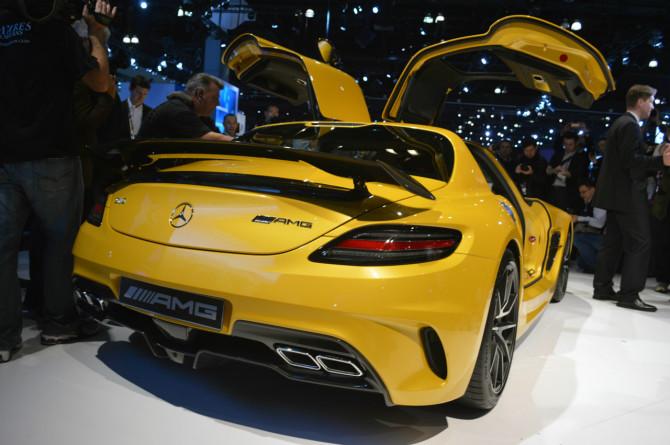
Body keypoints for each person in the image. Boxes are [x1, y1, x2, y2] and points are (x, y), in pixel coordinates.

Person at [0, 0, 115, 363]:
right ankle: (58, 323)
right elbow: (99, 81)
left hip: (4, 157)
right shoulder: (56, 30)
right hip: (53, 155)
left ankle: (4, 338)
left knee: (2, 250)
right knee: (59, 244)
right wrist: (97, 33)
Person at [592, 84, 670, 312]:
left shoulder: (621, 123)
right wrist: (661, 162)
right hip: (627, 194)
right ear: (641, 101)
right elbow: (631, 162)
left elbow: (625, 160)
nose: (653, 106)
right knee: (640, 243)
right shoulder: (630, 125)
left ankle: (602, 287)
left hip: (616, 194)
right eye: (651, 101)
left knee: (613, 242)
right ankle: (629, 295)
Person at [139, 72, 232, 141]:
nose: (218, 103)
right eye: (214, 98)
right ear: (199, 94)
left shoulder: (201, 117)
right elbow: (217, 140)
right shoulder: (177, 110)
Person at [547, 132, 589, 213]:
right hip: (553, 189)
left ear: (576, 143)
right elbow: (548, 170)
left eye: (570, 144)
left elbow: (581, 174)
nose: (567, 147)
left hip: (568, 190)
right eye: (565, 144)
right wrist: (554, 170)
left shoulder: (581, 156)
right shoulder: (558, 154)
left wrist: (568, 173)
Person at [572, 180, 606, 273]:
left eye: (584, 192)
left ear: (592, 190)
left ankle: (598, 268)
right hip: (596, 237)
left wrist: (579, 218)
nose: (582, 195)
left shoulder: (599, 202)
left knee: (577, 238)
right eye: (580, 193)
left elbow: (599, 224)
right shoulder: (587, 202)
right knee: (581, 263)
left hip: (605, 239)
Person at [123, 75, 153, 140]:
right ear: (131, 89)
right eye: (139, 93)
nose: (142, 97)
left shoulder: (150, 113)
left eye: (145, 94)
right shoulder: (118, 108)